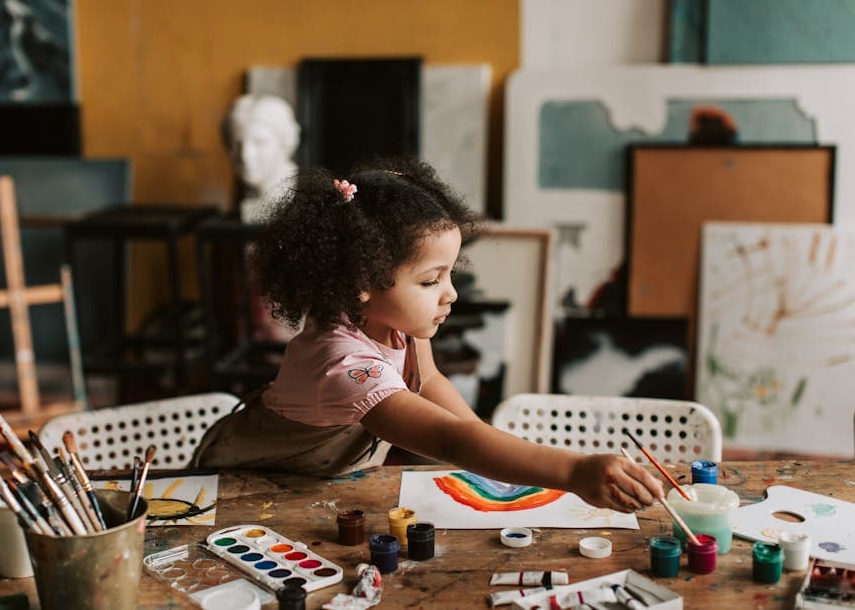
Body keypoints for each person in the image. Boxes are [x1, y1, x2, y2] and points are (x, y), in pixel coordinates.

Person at [192, 157, 663, 512]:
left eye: (450, 274)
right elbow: (449, 443)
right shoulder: (344, 366)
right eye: (430, 280)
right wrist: (575, 470)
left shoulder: (397, 322)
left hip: (314, 487)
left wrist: (480, 435)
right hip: (242, 493)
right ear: (363, 282)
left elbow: (430, 383)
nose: (450, 294)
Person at [223, 93, 300, 223]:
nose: (245, 155)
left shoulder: (308, 196)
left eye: (259, 142)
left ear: (285, 142)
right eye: (237, 144)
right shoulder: (237, 207)